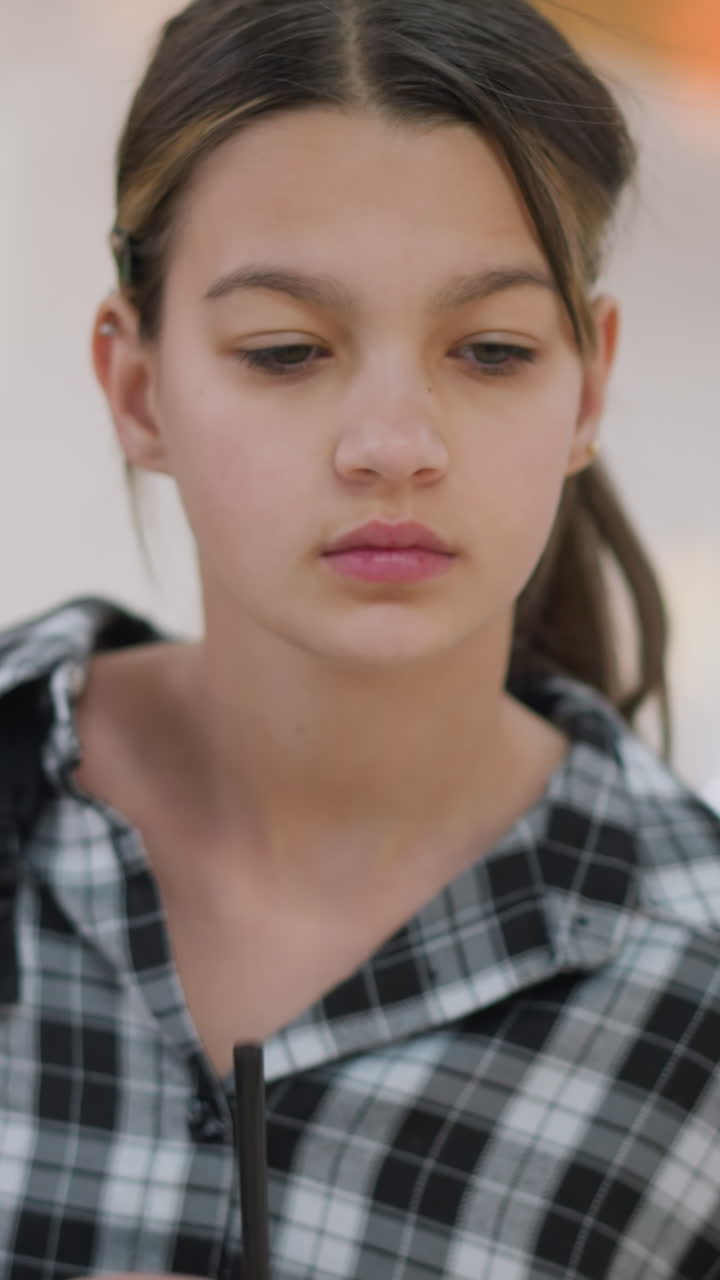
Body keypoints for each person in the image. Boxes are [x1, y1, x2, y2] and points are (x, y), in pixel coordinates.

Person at [1, 0, 719, 1276]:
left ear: (588, 387)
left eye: (492, 350)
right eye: (287, 350)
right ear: (136, 386)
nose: (394, 442)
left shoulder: (691, 1002)